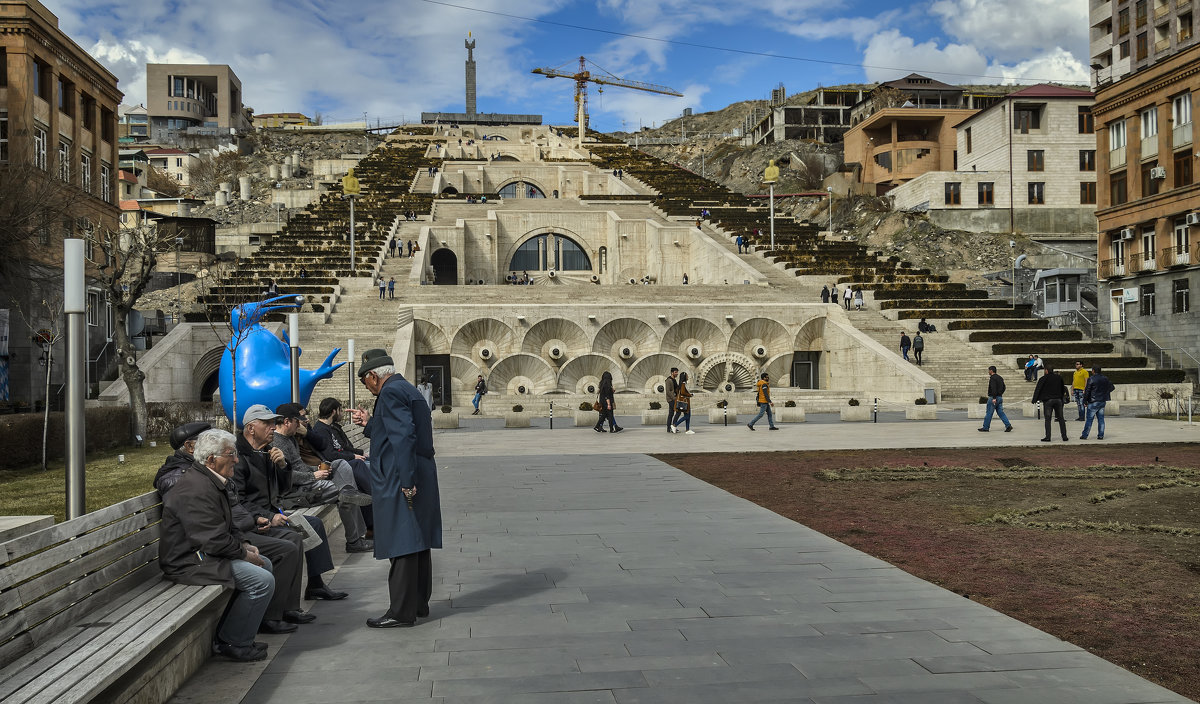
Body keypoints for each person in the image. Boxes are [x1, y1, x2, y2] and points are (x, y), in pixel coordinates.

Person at [159, 429, 275, 662]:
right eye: (230, 454)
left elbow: (226, 525)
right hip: (189, 561)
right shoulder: (195, 489)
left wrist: (244, 545)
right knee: (262, 580)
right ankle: (233, 642)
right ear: (211, 460)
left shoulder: (208, 480)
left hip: (204, 554)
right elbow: (211, 539)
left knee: (266, 565)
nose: (236, 459)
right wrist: (242, 553)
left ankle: (234, 634)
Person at [351, 349, 442, 628]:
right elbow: (398, 429)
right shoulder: (406, 388)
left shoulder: (389, 393)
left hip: (401, 475)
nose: (366, 387)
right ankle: (418, 603)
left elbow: (403, 439)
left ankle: (401, 611)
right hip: (419, 470)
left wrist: (406, 482)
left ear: (373, 376)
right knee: (417, 540)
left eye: (365, 381)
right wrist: (370, 424)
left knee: (402, 540)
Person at [232, 404, 348, 603]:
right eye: (267, 423)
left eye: (273, 422)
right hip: (255, 522)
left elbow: (283, 489)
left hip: (274, 512)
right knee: (292, 540)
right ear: (251, 428)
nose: (273, 427)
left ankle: (316, 585)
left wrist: (283, 467)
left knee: (314, 524)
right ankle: (286, 608)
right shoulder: (238, 458)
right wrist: (268, 516)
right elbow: (239, 502)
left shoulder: (267, 451)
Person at [271, 403, 373, 553]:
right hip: (296, 491)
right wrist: (313, 476)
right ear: (286, 422)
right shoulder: (276, 444)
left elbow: (300, 465)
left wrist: (317, 469)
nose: (300, 424)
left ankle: (349, 494)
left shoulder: (290, 438)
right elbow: (286, 476)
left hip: (309, 480)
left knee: (341, 465)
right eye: (297, 421)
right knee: (342, 492)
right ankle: (354, 541)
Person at [153, 421, 212, 495]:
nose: (215, 446)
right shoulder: (177, 480)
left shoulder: (200, 467)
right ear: (190, 446)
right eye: (209, 442)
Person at [1032, 365, 1069, 442]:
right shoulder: (1059, 378)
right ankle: (1064, 436)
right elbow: (1063, 388)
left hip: (1048, 401)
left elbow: (1038, 389)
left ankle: (1048, 437)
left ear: (1046, 370)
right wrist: (1062, 398)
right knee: (1061, 418)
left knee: (1048, 419)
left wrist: (1034, 400)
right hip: (1058, 400)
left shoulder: (1043, 378)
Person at [1081, 366, 1116, 440]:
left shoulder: (1091, 379)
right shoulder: (1105, 378)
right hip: (1102, 401)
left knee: (1089, 419)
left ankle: (1085, 435)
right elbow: (1112, 387)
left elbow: (1087, 391)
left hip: (1093, 401)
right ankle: (1101, 435)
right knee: (1101, 419)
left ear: (1093, 371)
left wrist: (1085, 401)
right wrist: (1105, 393)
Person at [978, 366, 1014, 432]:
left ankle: (985, 427)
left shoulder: (992, 378)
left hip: (993, 398)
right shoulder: (1000, 377)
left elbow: (993, 388)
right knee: (1001, 413)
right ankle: (1008, 425)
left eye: (989, 370)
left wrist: (994, 397)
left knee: (989, 413)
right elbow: (1004, 387)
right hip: (1000, 397)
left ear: (991, 371)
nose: (988, 372)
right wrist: (1000, 394)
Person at [664, 367, 680, 434]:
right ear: (672, 373)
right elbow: (668, 391)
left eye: (677, 372)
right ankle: (673, 426)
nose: (677, 373)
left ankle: (669, 428)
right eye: (675, 372)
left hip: (674, 398)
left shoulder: (674, 380)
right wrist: (674, 398)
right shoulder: (668, 380)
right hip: (671, 399)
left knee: (671, 414)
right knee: (678, 412)